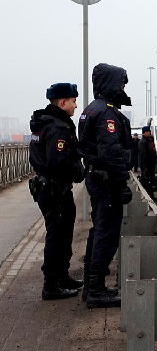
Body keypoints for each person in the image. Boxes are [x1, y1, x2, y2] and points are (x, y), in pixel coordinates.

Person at [78, 63, 134, 309]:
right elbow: (111, 152)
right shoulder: (107, 113)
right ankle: (96, 290)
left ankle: (91, 285)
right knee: (107, 236)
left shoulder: (92, 109)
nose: (123, 87)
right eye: (121, 83)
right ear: (111, 83)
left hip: (98, 179)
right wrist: (122, 181)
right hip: (107, 181)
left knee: (98, 231)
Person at [29, 83, 85, 300]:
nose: (75, 105)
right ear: (63, 102)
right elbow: (58, 162)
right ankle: (52, 284)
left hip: (48, 188)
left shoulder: (42, 124)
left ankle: (61, 276)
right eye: (73, 101)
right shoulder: (58, 127)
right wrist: (78, 171)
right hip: (55, 190)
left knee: (62, 234)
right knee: (58, 237)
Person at [138, 126, 157, 201]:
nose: (149, 133)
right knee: (147, 181)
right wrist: (145, 166)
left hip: (151, 163)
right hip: (146, 165)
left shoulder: (149, 140)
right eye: (147, 132)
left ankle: (151, 195)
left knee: (151, 180)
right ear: (144, 133)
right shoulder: (142, 142)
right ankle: (148, 196)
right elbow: (143, 154)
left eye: (149, 131)